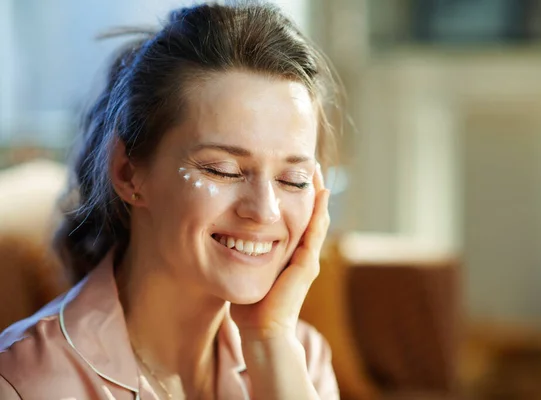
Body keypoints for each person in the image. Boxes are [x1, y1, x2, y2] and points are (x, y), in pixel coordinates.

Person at [0, 3, 340, 399]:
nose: (264, 210)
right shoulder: (25, 384)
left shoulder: (300, 361)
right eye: (223, 170)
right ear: (128, 173)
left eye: (292, 179)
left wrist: (269, 343)